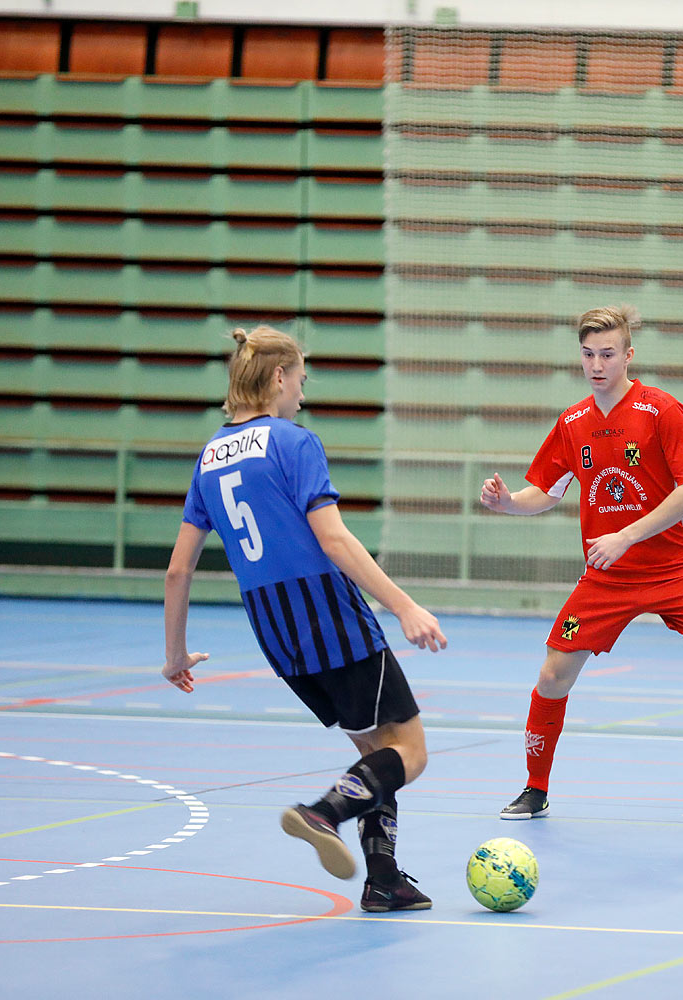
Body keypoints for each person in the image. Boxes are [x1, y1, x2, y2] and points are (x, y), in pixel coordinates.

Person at [162, 324, 448, 912]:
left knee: (376, 752)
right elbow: (336, 541)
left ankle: (383, 879)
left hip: (274, 629)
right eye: (300, 381)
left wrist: (174, 655)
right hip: (325, 611)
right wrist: (404, 606)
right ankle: (324, 812)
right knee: (411, 752)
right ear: (277, 378)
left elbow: (177, 571)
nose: (301, 394)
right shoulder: (293, 442)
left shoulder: (209, 457)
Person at [479, 304, 683, 836]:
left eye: (608, 354)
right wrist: (507, 504)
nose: (597, 364)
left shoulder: (661, 410)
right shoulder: (573, 423)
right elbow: (544, 494)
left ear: (628, 355)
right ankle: (536, 788)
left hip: (675, 567)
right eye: (589, 354)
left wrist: (626, 534)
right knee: (552, 675)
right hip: (608, 577)